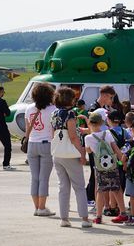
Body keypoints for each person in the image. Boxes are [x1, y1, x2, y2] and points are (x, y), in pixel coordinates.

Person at [50, 87, 92, 228]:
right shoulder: (71, 114)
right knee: (79, 187)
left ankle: (64, 218)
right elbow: (73, 136)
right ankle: (85, 219)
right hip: (71, 154)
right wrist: (82, 153)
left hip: (57, 153)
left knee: (63, 186)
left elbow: (53, 134)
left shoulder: (54, 113)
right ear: (70, 99)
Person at [85, 112, 128, 224]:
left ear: (89, 123)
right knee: (116, 188)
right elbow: (116, 149)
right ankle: (123, 213)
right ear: (101, 123)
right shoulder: (108, 133)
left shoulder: (88, 138)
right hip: (112, 165)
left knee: (100, 190)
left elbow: (89, 151)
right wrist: (123, 162)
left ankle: (99, 216)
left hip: (100, 167)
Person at [25, 83, 57, 217]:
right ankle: (42, 207)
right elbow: (54, 130)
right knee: (44, 178)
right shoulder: (53, 110)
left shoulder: (29, 109)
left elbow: (27, 128)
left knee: (35, 177)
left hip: (32, 144)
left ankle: (37, 207)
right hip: (47, 144)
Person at [86, 85, 116, 204]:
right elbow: (91, 127)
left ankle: (92, 197)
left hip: (101, 145)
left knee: (98, 172)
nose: (111, 100)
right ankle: (91, 197)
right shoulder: (94, 109)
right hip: (94, 145)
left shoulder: (103, 108)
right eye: (110, 97)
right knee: (95, 172)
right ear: (104, 96)